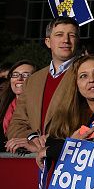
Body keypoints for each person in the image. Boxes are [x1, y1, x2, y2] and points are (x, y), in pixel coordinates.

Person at [6, 17, 79, 153]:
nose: (66, 40)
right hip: (33, 161)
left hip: (69, 158)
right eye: (59, 35)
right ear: (48, 42)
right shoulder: (33, 80)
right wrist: (32, 138)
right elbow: (16, 124)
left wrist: (49, 143)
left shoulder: (85, 74)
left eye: (72, 35)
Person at [35, 55, 94, 167]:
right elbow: (52, 142)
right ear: (76, 84)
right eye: (83, 76)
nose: (91, 80)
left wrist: (69, 145)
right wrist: (71, 142)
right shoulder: (68, 111)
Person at [0, 60, 37, 151]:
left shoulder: (40, 105)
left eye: (26, 75)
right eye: (15, 75)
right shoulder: (3, 103)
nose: (19, 79)